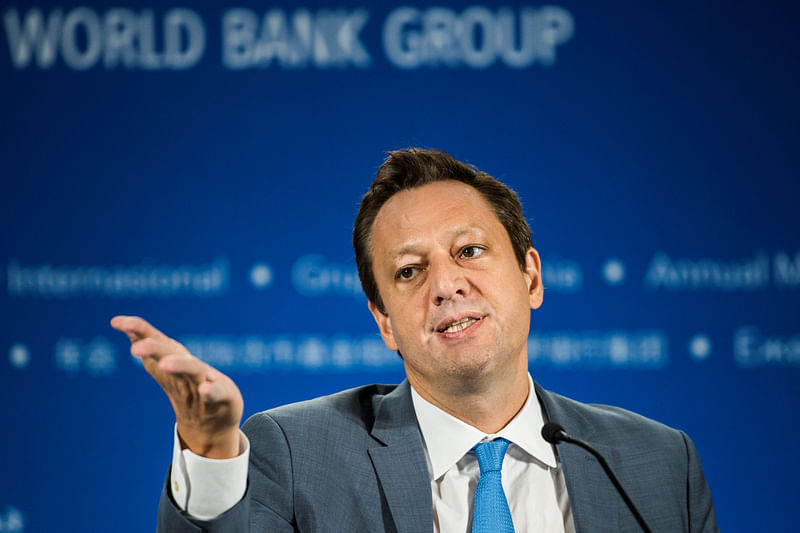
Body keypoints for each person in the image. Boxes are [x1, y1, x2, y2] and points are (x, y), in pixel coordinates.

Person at [111, 148, 719, 532]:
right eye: (409, 271)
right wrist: (211, 449)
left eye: (470, 251)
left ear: (531, 276)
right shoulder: (300, 455)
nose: (447, 285)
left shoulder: (657, 464)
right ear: (384, 321)